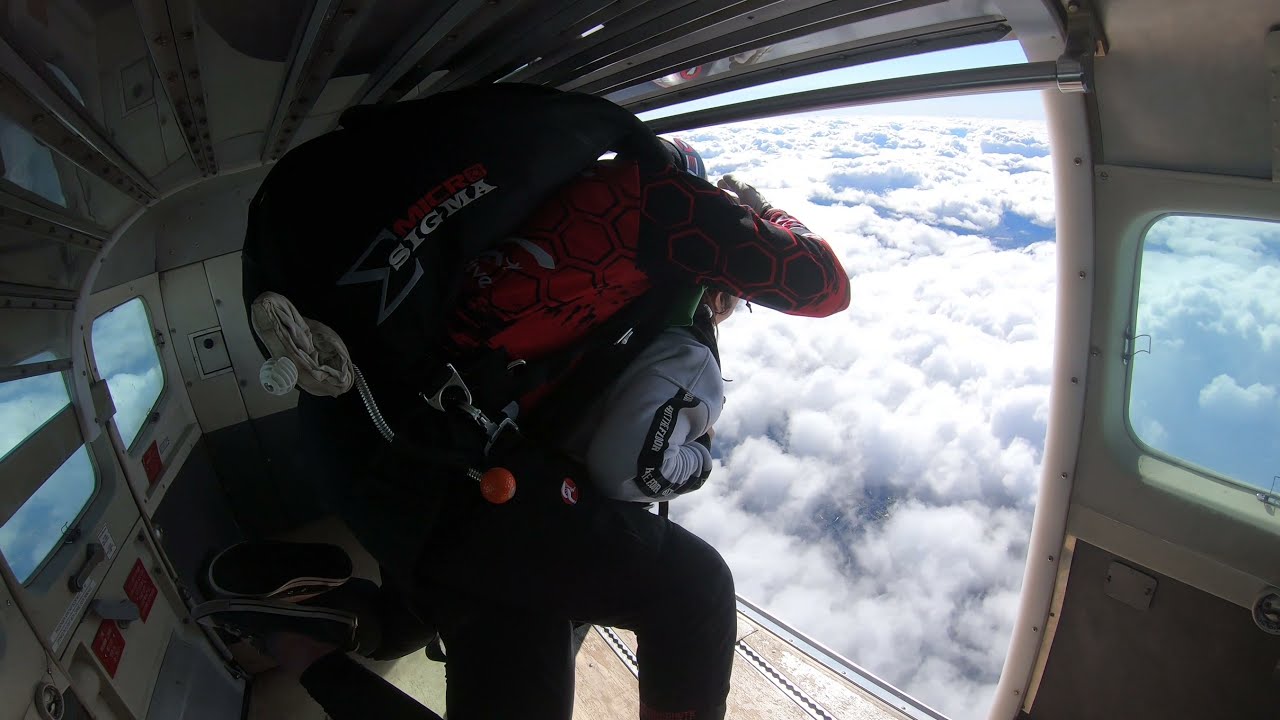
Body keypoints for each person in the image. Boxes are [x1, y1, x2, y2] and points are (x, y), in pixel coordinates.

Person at [212, 98, 849, 720]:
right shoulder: (665, 203)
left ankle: (314, 620)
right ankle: (306, 649)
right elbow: (822, 285)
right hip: (453, 480)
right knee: (693, 591)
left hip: (387, 447)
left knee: (457, 603)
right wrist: (762, 210)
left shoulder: (546, 205)